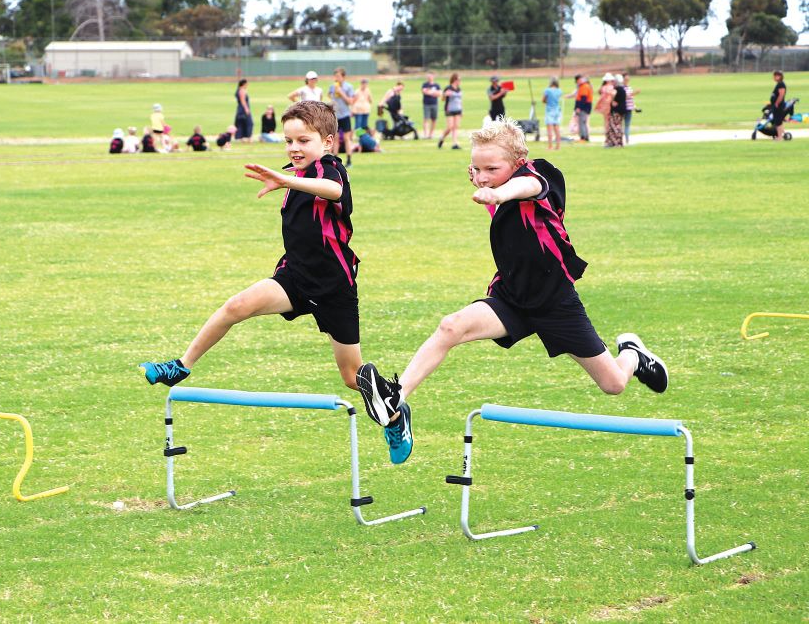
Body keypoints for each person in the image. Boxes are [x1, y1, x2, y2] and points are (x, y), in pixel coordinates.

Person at [355, 118, 669, 464]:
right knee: (451, 326)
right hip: (512, 297)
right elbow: (495, 186)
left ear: (519, 163)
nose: (483, 176)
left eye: (492, 168)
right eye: (476, 169)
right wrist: (489, 183)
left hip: (555, 301)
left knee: (613, 384)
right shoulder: (491, 183)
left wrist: (497, 193)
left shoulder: (539, 176)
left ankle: (633, 354)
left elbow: (527, 186)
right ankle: (395, 401)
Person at [140, 100, 363, 396]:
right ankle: (181, 365)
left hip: (333, 285)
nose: (294, 148)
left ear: (327, 142)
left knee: (352, 377)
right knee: (236, 306)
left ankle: (394, 409)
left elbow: (334, 190)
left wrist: (285, 181)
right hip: (295, 277)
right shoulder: (298, 174)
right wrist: (289, 180)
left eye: (303, 141)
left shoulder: (329, 167)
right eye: (288, 141)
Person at [329, 67, 355, 167]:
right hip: (336, 116)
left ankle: (349, 160)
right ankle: (335, 161)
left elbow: (350, 101)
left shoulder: (348, 87)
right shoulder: (332, 87)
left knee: (346, 138)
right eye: (335, 76)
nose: (336, 78)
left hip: (345, 115)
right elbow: (331, 97)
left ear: (343, 77)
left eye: (338, 76)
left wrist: (341, 92)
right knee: (335, 138)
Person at [438, 73, 463, 149]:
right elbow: (442, 99)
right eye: (459, 80)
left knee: (456, 127)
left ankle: (455, 143)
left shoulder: (459, 89)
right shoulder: (448, 88)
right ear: (454, 80)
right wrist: (445, 95)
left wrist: (461, 110)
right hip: (449, 109)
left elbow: (459, 100)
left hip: (458, 109)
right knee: (450, 127)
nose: (460, 81)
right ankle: (442, 137)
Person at [567, 74, 592, 142]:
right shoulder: (583, 86)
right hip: (585, 106)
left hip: (584, 107)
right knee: (583, 122)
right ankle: (585, 137)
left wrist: (579, 108)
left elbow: (583, 98)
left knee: (582, 122)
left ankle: (583, 137)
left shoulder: (584, 86)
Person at [542, 77, 563, 150]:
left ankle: (550, 146)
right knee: (557, 129)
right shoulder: (559, 90)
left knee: (549, 130)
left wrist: (547, 101)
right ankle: (558, 146)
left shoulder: (547, 90)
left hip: (549, 110)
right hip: (557, 110)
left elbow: (543, 100)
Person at [607, 75, 626, 148]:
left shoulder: (617, 90)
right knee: (618, 127)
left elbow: (613, 100)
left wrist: (612, 101)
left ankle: (615, 143)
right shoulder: (623, 90)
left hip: (616, 111)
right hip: (621, 111)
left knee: (614, 127)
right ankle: (618, 142)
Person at [421, 72, 442, 139]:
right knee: (426, 119)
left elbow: (440, 94)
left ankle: (431, 134)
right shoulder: (425, 84)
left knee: (434, 119)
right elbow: (424, 91)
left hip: (434, 104)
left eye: (431, 76)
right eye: (428, 76)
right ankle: (425, 134)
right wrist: (434, 93)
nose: (429, 78)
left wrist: (430, 92)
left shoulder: (437, 85)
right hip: (426, 104)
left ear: (433, 77)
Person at [595, 73, 614, 144]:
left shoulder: (603, 87)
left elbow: (601, 96)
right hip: (609, 105)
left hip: (604, 106)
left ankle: (607, 136)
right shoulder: (611, 87)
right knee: (610, 121)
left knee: (606, 121)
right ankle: (610, 136)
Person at [769, 70, 787, 142]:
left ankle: (780, 137)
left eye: (775, 76)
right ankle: (783, 135)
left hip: (779, 106)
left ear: (779, 76)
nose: (774, 77)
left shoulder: (781, 84)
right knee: (777, 121)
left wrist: (777, 103)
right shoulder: (779, 84)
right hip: (776, 105)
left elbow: (781, 95)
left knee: (778, 121)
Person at [623, 75, 640, 145]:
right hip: (623, 108)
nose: (627, 81)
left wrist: (635, 107)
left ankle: (627, 140)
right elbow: (623, 97)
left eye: (628, 79)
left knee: (627, 125)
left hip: (629, 108)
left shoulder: (629, 88)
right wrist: (634, 93)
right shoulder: (621, 88)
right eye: (625, 79)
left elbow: (631, 99)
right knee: (620, 125)